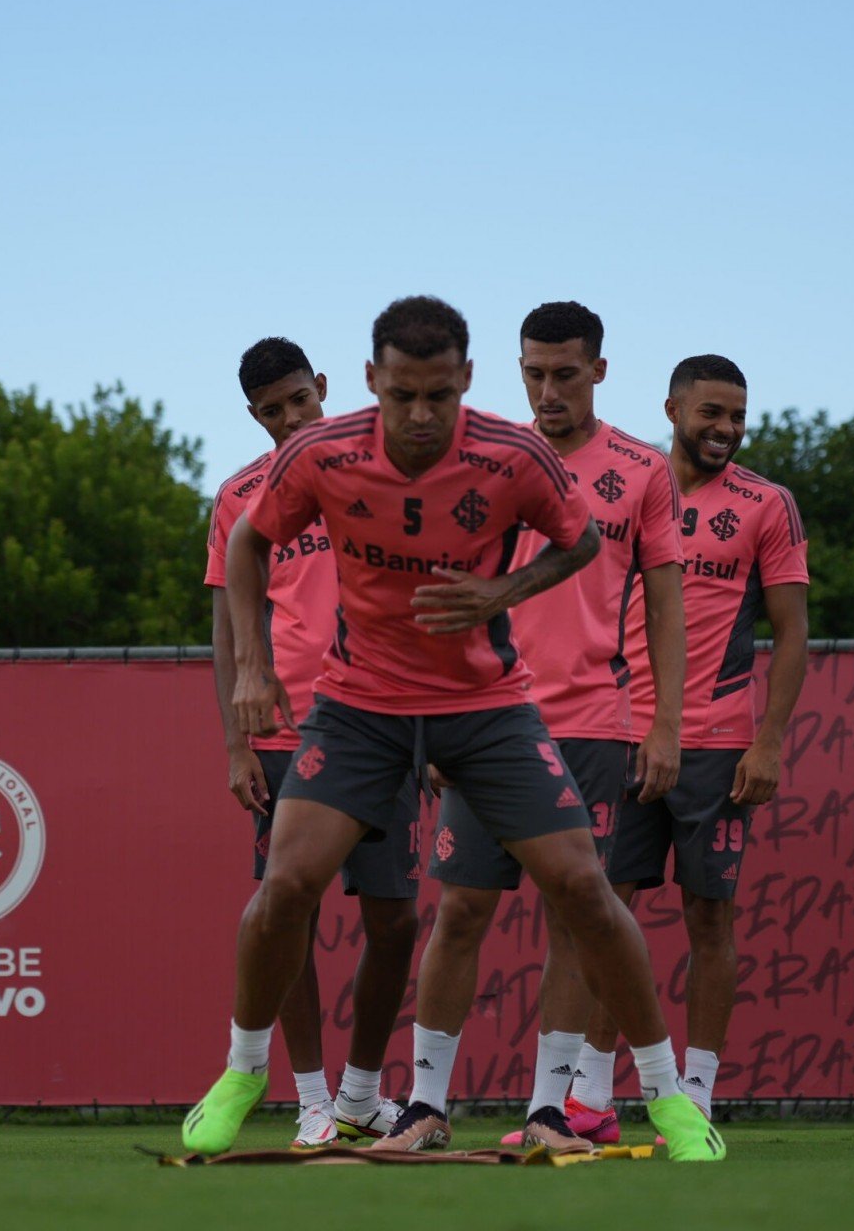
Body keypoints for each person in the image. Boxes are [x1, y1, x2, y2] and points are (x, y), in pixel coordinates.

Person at [183, 295, 724, 1163]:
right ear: (370, 383)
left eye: (439, 394)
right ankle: (246, 1070)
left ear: (468, 381)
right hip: (360, 706)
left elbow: (581, 543)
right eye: (403, 396)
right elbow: (247, 543)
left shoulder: (510, 457)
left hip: (484, 708)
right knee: (286, 885)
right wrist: (251, 668)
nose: (423, 415)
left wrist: (501, 594)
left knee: (584, 888)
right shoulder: (323, 454)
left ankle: (666, 1095)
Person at [405, 301, 689, 1153]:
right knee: (460, 913)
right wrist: (429, 717)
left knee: (575, 915)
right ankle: (425, 1108)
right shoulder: (482, 460)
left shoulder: (641, 470)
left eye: (565, 374)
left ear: (598, 371)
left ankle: (546, 1113)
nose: (548, 389)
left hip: (593, 726)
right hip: (483, 722)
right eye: (534, 373)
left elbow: (668, 610)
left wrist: (664, 723)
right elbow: (435, 592)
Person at [568, 353, 810, 1136]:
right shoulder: (632, 483)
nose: (726, 430)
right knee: (608, 916)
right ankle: (590, 1099)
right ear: (672, 408)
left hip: (718, 746)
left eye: (738, 417)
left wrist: (768, 743)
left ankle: (696, 1093)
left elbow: (794, 631)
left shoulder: (768, 504)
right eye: (711, 413)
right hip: (625, 736)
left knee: (711, 920)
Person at [203, 338, 418, 1147]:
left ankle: (363, 1092)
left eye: (299, 399)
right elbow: (229, 628)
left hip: (390, 718)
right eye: (272, 411)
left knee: (396, 920)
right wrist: (234, 745)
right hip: (284, 734)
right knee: (286, 911)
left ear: (324, 387)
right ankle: (312, 1099)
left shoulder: (382, 471)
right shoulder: (239, 498)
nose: (291, 419)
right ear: (254, 416)